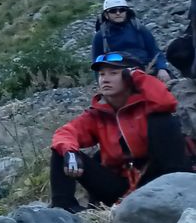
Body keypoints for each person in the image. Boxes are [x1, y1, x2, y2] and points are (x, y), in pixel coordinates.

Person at [49, 52, 189, 212]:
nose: (105, 79)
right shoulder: (97, 114)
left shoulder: (148, 105)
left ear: (129, 77)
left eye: (113, 73)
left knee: (163, 121)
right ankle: (64, 210)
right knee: (62, 150)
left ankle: (179, 194)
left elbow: (167, 102)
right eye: (101, 74)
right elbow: (65, 133)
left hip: (156, 180)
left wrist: (137, 76)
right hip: (118, 186)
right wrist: (70, 152)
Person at [92, 0, 172, 82]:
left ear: (127, 12)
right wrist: (101, 83)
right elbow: (97, 62)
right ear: (106, 15)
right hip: (118, 75)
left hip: (146, 70)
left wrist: (162, 68)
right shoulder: (100, 36)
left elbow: (155, 51)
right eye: (113, 11)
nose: (118, 13)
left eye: (122, 10)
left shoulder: (140, 29)